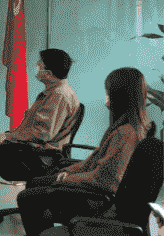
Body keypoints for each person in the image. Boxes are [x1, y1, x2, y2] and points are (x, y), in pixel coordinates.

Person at [17, 67, 154, 236]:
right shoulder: (130, 128)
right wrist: (67, 172)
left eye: (108, 90)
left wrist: (67, 179)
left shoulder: (125, 133)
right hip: (98, 193)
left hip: (98, 200)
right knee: (36, 184)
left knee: (27, 198)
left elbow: (106, 181)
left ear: (120, 95)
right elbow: (94, 162)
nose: (106, 95)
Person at [0, 48, 81, 229]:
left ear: (49, 73)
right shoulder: (55, 91)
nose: (36, 67)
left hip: (37, 158)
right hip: (31, 149)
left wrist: (8, 138)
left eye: (39, 65)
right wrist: (8, 136)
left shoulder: (58, 96)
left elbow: (42, 134)